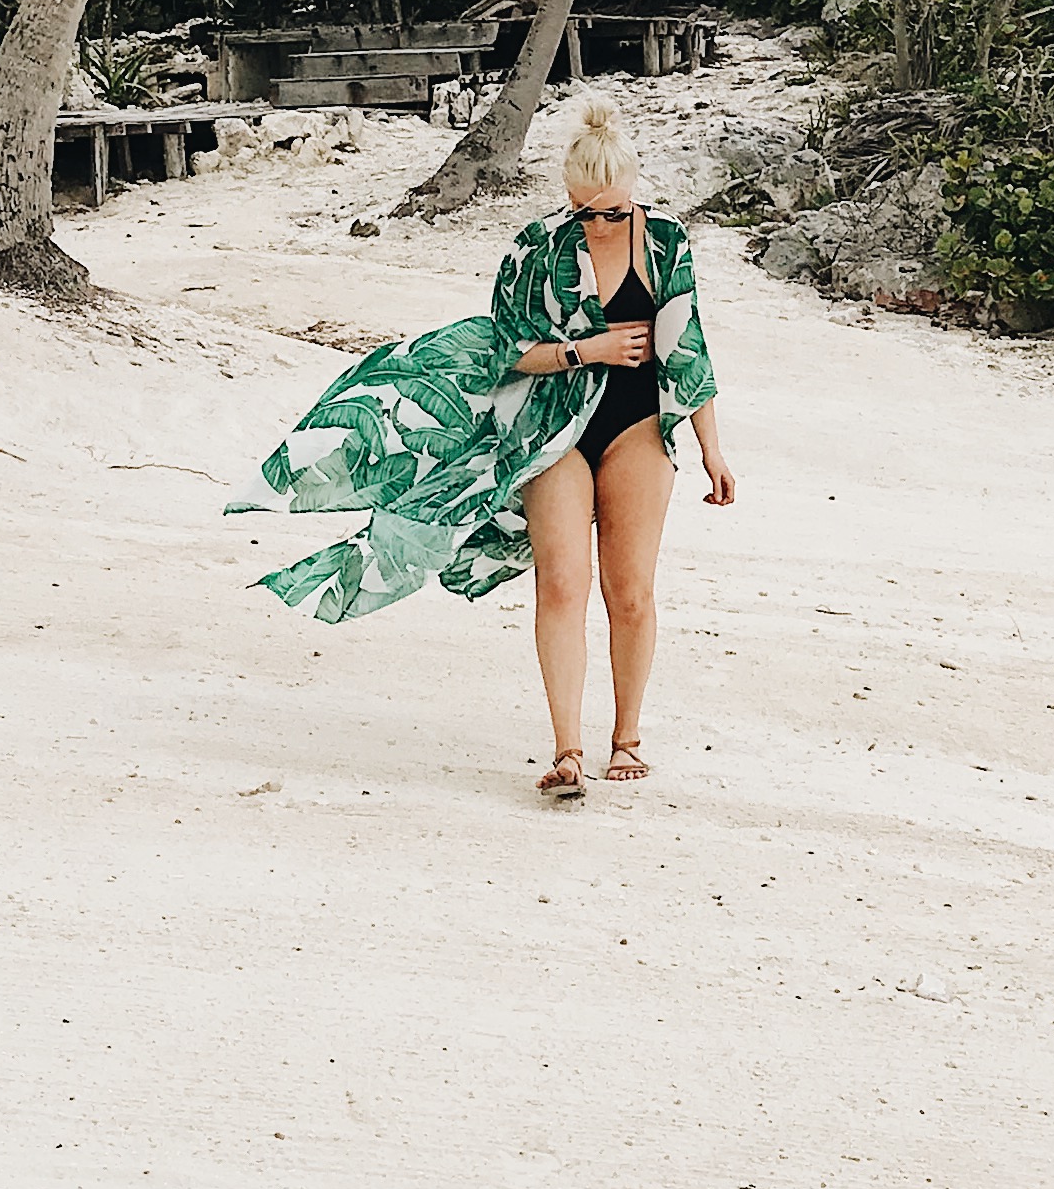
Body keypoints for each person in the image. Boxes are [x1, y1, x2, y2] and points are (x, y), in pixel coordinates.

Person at [228, 100, 735, 799]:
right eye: (588, 213)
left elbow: (690, 353)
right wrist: (586, 349)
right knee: (561, 584)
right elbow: (508, 352)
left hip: (637, 428)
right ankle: (567, 750)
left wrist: (712, 449)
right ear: (570, 199)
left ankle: (628, 739)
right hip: (551, 430)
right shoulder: (535, 248)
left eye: (615, 212)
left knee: (632, 592)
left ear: (632, 195)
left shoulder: (667, 243)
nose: (602, 225)